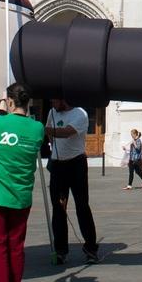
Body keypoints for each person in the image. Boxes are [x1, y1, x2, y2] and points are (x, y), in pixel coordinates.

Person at [0, 81, 46, 282]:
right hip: (21, 195)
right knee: (16, 246)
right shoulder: (37, 128)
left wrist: (1, 107)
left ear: (9, 102)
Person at [44, 96, 100, 264]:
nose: (52, 104)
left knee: (82, 206)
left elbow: (66, 132)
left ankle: (90, 248)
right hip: (58, 164)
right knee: (58, 208)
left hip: (76, 164)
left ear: (63, 99)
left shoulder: (80, 114)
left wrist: (40, 129)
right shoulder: (52, 112)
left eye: (54, 100)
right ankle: (61, 249)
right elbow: (50, 133)